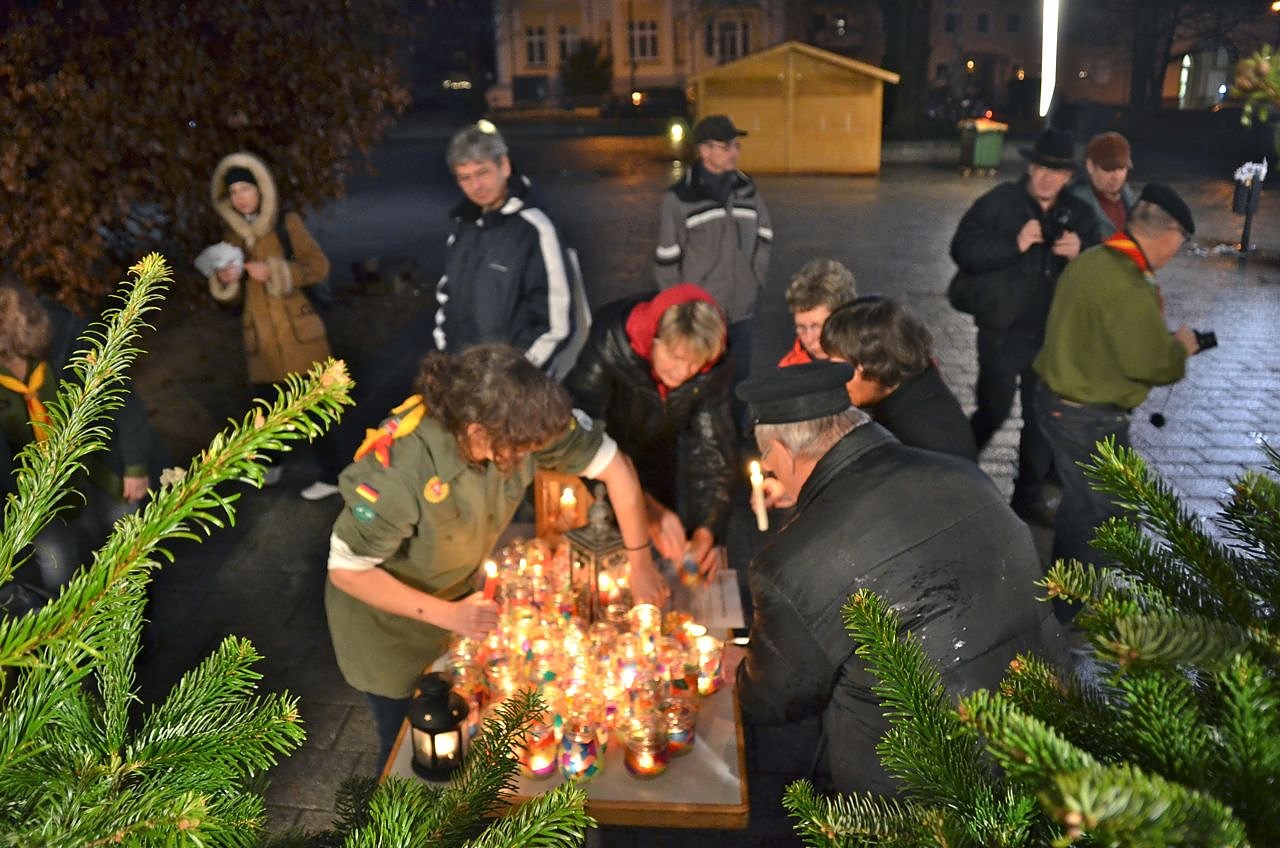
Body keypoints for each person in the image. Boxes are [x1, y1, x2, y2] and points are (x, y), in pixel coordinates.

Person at [326, 344, 664, 769]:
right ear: (478, 433)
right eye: (521, 450)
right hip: (390, 633)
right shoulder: (402, 470)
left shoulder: (521, 421)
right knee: (411, 754)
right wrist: (450, 615)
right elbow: (347, 571)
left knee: (467, 737)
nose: (530, 456)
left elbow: (616, 467)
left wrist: (640, 563)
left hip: (461, 610)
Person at [733, 361, 1061, 795]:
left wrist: (739, 669)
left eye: (770, 464)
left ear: (782, 451)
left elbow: (773, 699)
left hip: (915, 776)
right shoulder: (960, 474)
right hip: (1041, 724)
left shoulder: (793, 561)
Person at [302, 122, 582, 501]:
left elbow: (557, 321)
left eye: (483, 172)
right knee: (465, 488)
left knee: (510, 489)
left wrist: (513, 379)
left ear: (504, 166)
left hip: (512, 391)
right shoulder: (464, 229)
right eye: (465, 177)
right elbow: (447, 299)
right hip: (464, 385)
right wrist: (448, 363)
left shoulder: (533, 228)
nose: (476, 185)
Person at [1034, 184, 1204, 584]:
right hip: (1088, 418)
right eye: (1180, 242)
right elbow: (1153, 364)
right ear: (1170, 234)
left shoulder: (1093, 259)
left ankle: (1068, 589)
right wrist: (1180, 349)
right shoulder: (1129, 282)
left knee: (1083, 507)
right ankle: (1075, 605)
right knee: (1103, 515)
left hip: (1058, 402)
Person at [948, 126, 1100, 523]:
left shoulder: (1079, 215)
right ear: (1030, 168)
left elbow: (1105, 267)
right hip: (1002, 331)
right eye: (1042, 169)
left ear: (1068, 176)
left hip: (1050, 336)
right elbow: (962, 249)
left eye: (1057, 171)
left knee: (1040, 420)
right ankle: (951, 474)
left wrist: (1082, 253)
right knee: (993, 409)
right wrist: (1013, 244)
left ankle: (1027, 499)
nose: (1048, 178)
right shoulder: (1000, 202)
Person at [563, 284, 734, 578]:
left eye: (695, 362)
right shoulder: (611, 341)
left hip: (660, 467)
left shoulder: (710, 369)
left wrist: (707, 530)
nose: (683, 371)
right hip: (599, 471)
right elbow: (579, 431)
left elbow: (712, 449)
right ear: (654, 338)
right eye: (676, 357)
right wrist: (644, 507)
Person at [0, 279, 158, 592]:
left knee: (123, 552)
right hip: (35, 484)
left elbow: (121, 399)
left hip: (100, 463)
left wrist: (135, 466)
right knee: (56, 564)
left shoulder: (71, 337)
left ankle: (133, 615)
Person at [207, 152, 332, 485]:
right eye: (233, 192)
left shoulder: (285, 223)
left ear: (262, 189)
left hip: (298, 333)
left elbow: (318, 266)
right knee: (265, 408)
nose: (240, 198)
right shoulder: (231, 236)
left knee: (315, 405)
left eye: (246, 189)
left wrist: (275, 270)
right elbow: (230, 297)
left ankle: (333, 475)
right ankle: (270, 467)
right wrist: (225, 281)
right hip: (260, 337)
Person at [654, 114, 772, 431]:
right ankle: (695, 440)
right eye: (726, 146)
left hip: (741, 307)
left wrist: (755, 277)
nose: (734, 152)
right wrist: (680, 311)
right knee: (700, 384)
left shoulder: (747, 189)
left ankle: (736, 440)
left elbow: (765, 234)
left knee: (740, 380)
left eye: (736, 146)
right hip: (702, 313)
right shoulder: (680, 198)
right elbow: (667, 259)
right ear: (704, 151)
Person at [820, 296, 977, 461]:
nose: (834, 379)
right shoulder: (911, 395)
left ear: (872, 364)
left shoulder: (922, 439)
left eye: (841, 368)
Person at [777, 259, 858, 367]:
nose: (809, 339)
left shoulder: (874, 361)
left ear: (843, 320)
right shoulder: (789, 368)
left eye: (817, 327)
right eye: (801, 328)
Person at [1067, 131, 1137, 237]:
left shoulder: (1129, 198)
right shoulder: (1074, 204)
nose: (1116, 177)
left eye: (1121, 168)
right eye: (1108, 169)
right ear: (1090, 166)